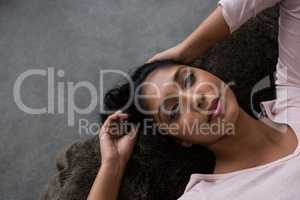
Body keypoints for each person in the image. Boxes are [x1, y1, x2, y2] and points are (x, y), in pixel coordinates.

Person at [88, 0, 300, 199]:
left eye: (189, 79)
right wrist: (112, 166)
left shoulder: (294, 89)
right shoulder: (212, 195)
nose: (196, 99)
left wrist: (186, 49)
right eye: (174, 110)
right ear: (181, 139)